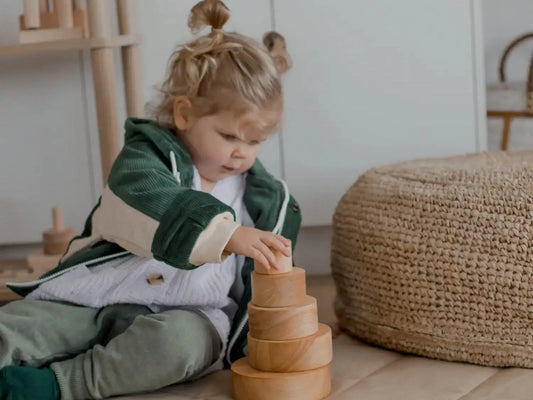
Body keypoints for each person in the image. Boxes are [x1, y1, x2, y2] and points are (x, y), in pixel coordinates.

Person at [0, 0, 301, 399]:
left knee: (180, 348)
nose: (242, 153)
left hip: (188, 316)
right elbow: (147, 199)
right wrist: (226, 235)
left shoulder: (267, 199)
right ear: (184, 114)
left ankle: (59, 385)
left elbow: (256, 291)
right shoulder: (144, 160)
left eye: (256, 141)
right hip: (94, 298)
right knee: (19, 327)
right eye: (229, 136)